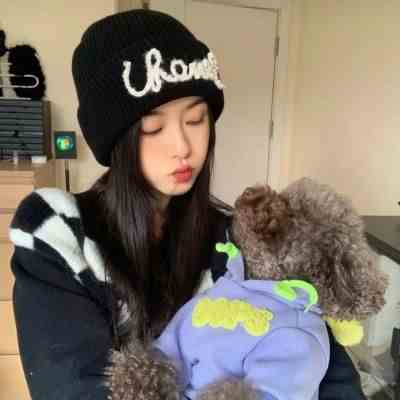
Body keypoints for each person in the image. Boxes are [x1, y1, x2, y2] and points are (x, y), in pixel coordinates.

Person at [8, 9, 366, 400]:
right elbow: (72, 386)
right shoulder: (58, 229)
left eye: (196, 120)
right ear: (116, 141)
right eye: (153, 127)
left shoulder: (236, 237)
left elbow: (326, 363)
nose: (182, 147)